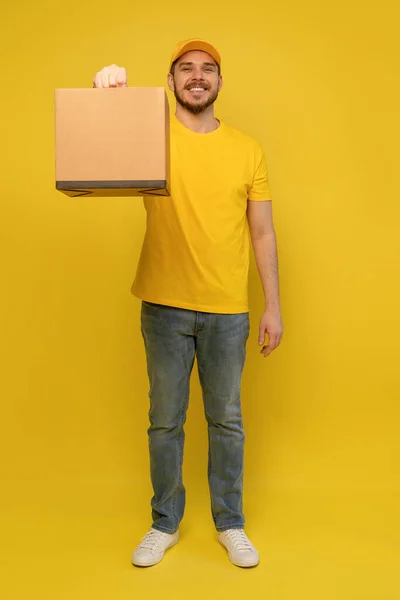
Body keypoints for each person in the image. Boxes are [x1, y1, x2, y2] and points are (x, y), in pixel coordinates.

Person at [93, 38, 284, 568]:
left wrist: (272, 306)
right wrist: (106, 87)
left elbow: (263, 233)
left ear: (220, 82)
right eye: (185, 69)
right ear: (172, 80)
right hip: (163, 305)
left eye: (207, 70)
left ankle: (231, 522)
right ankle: (164, 523)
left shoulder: (248, 149)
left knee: (227, 420)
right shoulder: (151, 138)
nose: (196, 77)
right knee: (165, 421)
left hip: (228, 311)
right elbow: (102, 140)